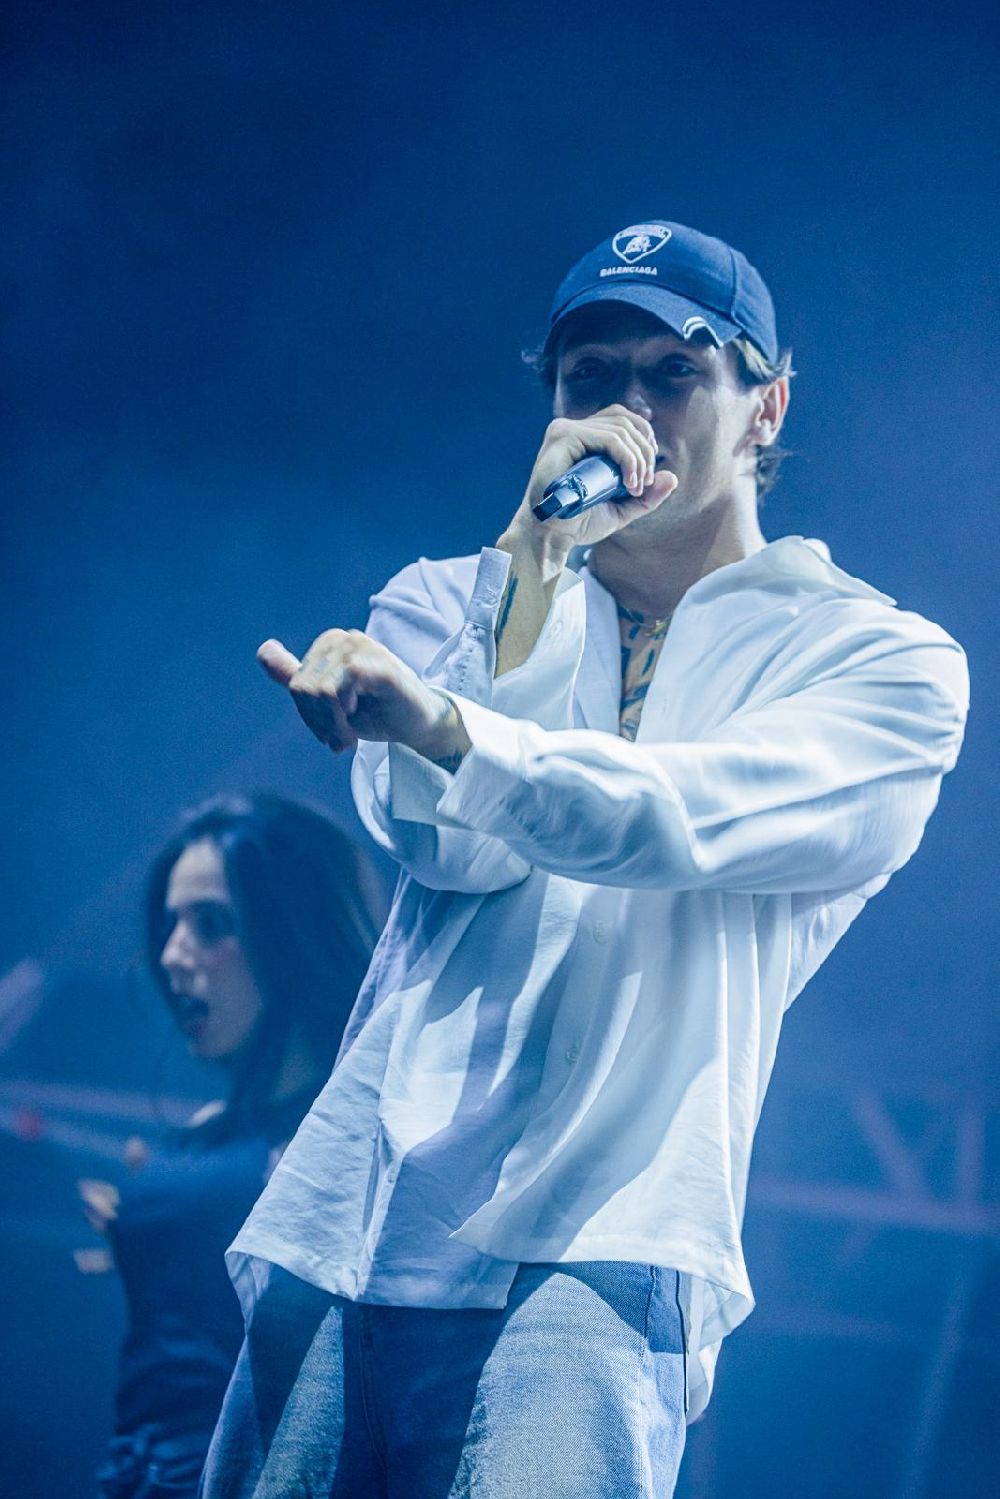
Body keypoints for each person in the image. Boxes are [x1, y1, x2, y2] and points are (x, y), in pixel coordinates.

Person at [201, 221, 969, 1499]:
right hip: (357, 1218)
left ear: (766, 405)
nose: (627, 408)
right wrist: (531, 562)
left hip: (608, 1238)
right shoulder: (447, 601)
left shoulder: (876, 660)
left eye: (674, 372)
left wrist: (448, 726)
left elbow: (672, 819)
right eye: (590, 375)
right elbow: (445, 847)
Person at [79, 794, 383, 1499]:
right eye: (170, 925)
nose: (171, 955)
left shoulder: (349, 1138)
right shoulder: (214, 1130)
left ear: (291, 932)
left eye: (211, 925)